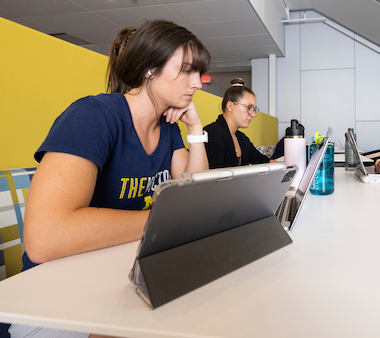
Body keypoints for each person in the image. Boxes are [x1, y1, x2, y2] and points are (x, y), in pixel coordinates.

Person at [11, 20, 211, 338]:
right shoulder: (94, 116)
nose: (197, 83)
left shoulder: (169, 128)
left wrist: (196, 132)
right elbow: (44, 238)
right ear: (149, 69)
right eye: (187, 70)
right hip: (51, 299)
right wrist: (165, 221)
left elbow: (197, 196)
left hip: (118, 277)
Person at [204, 78, 276, 168]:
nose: (253, 114)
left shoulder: (241, 138)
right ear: (230, 106)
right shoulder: (213, 133)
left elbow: (262, 160)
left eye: (254, 109)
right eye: (249, 107)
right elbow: (215, 177)